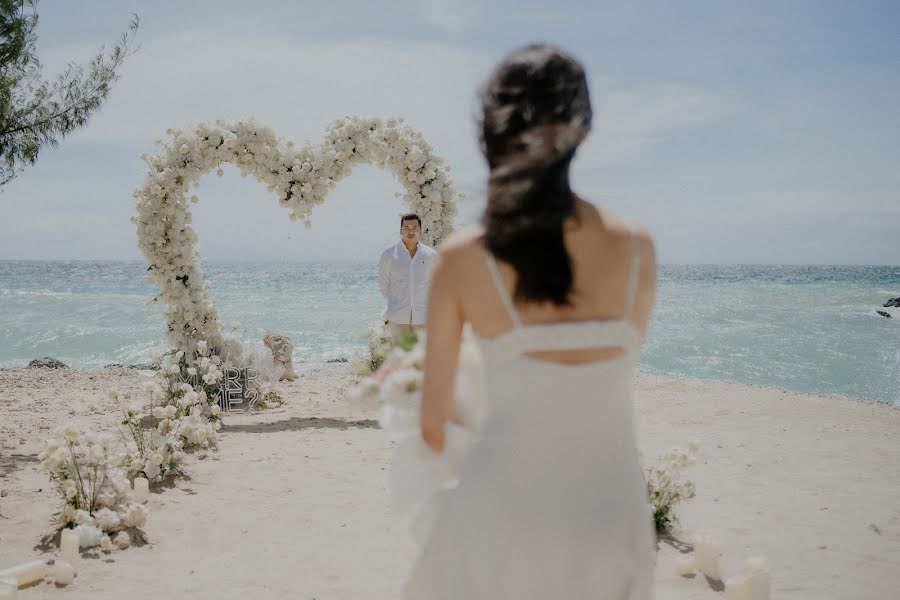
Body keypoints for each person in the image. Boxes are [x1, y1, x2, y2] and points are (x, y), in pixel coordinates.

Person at [405, 44, 658, 598]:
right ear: (583, 132)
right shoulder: (639, 250)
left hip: (505, 516)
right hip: (612, 517)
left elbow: (432, 425)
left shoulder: (462, 258)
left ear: (489, 134)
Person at [378, 213, 438, 340]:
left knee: (423, 357)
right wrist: (396, 302)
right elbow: (384, 285)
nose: (411, 231)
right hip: (398, 317)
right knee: (401, 357)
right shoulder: (388, 255)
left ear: (420, 231)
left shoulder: (431, 255)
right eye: (406, 227)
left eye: (414, 227)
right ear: (401, 231)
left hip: (424, 317)